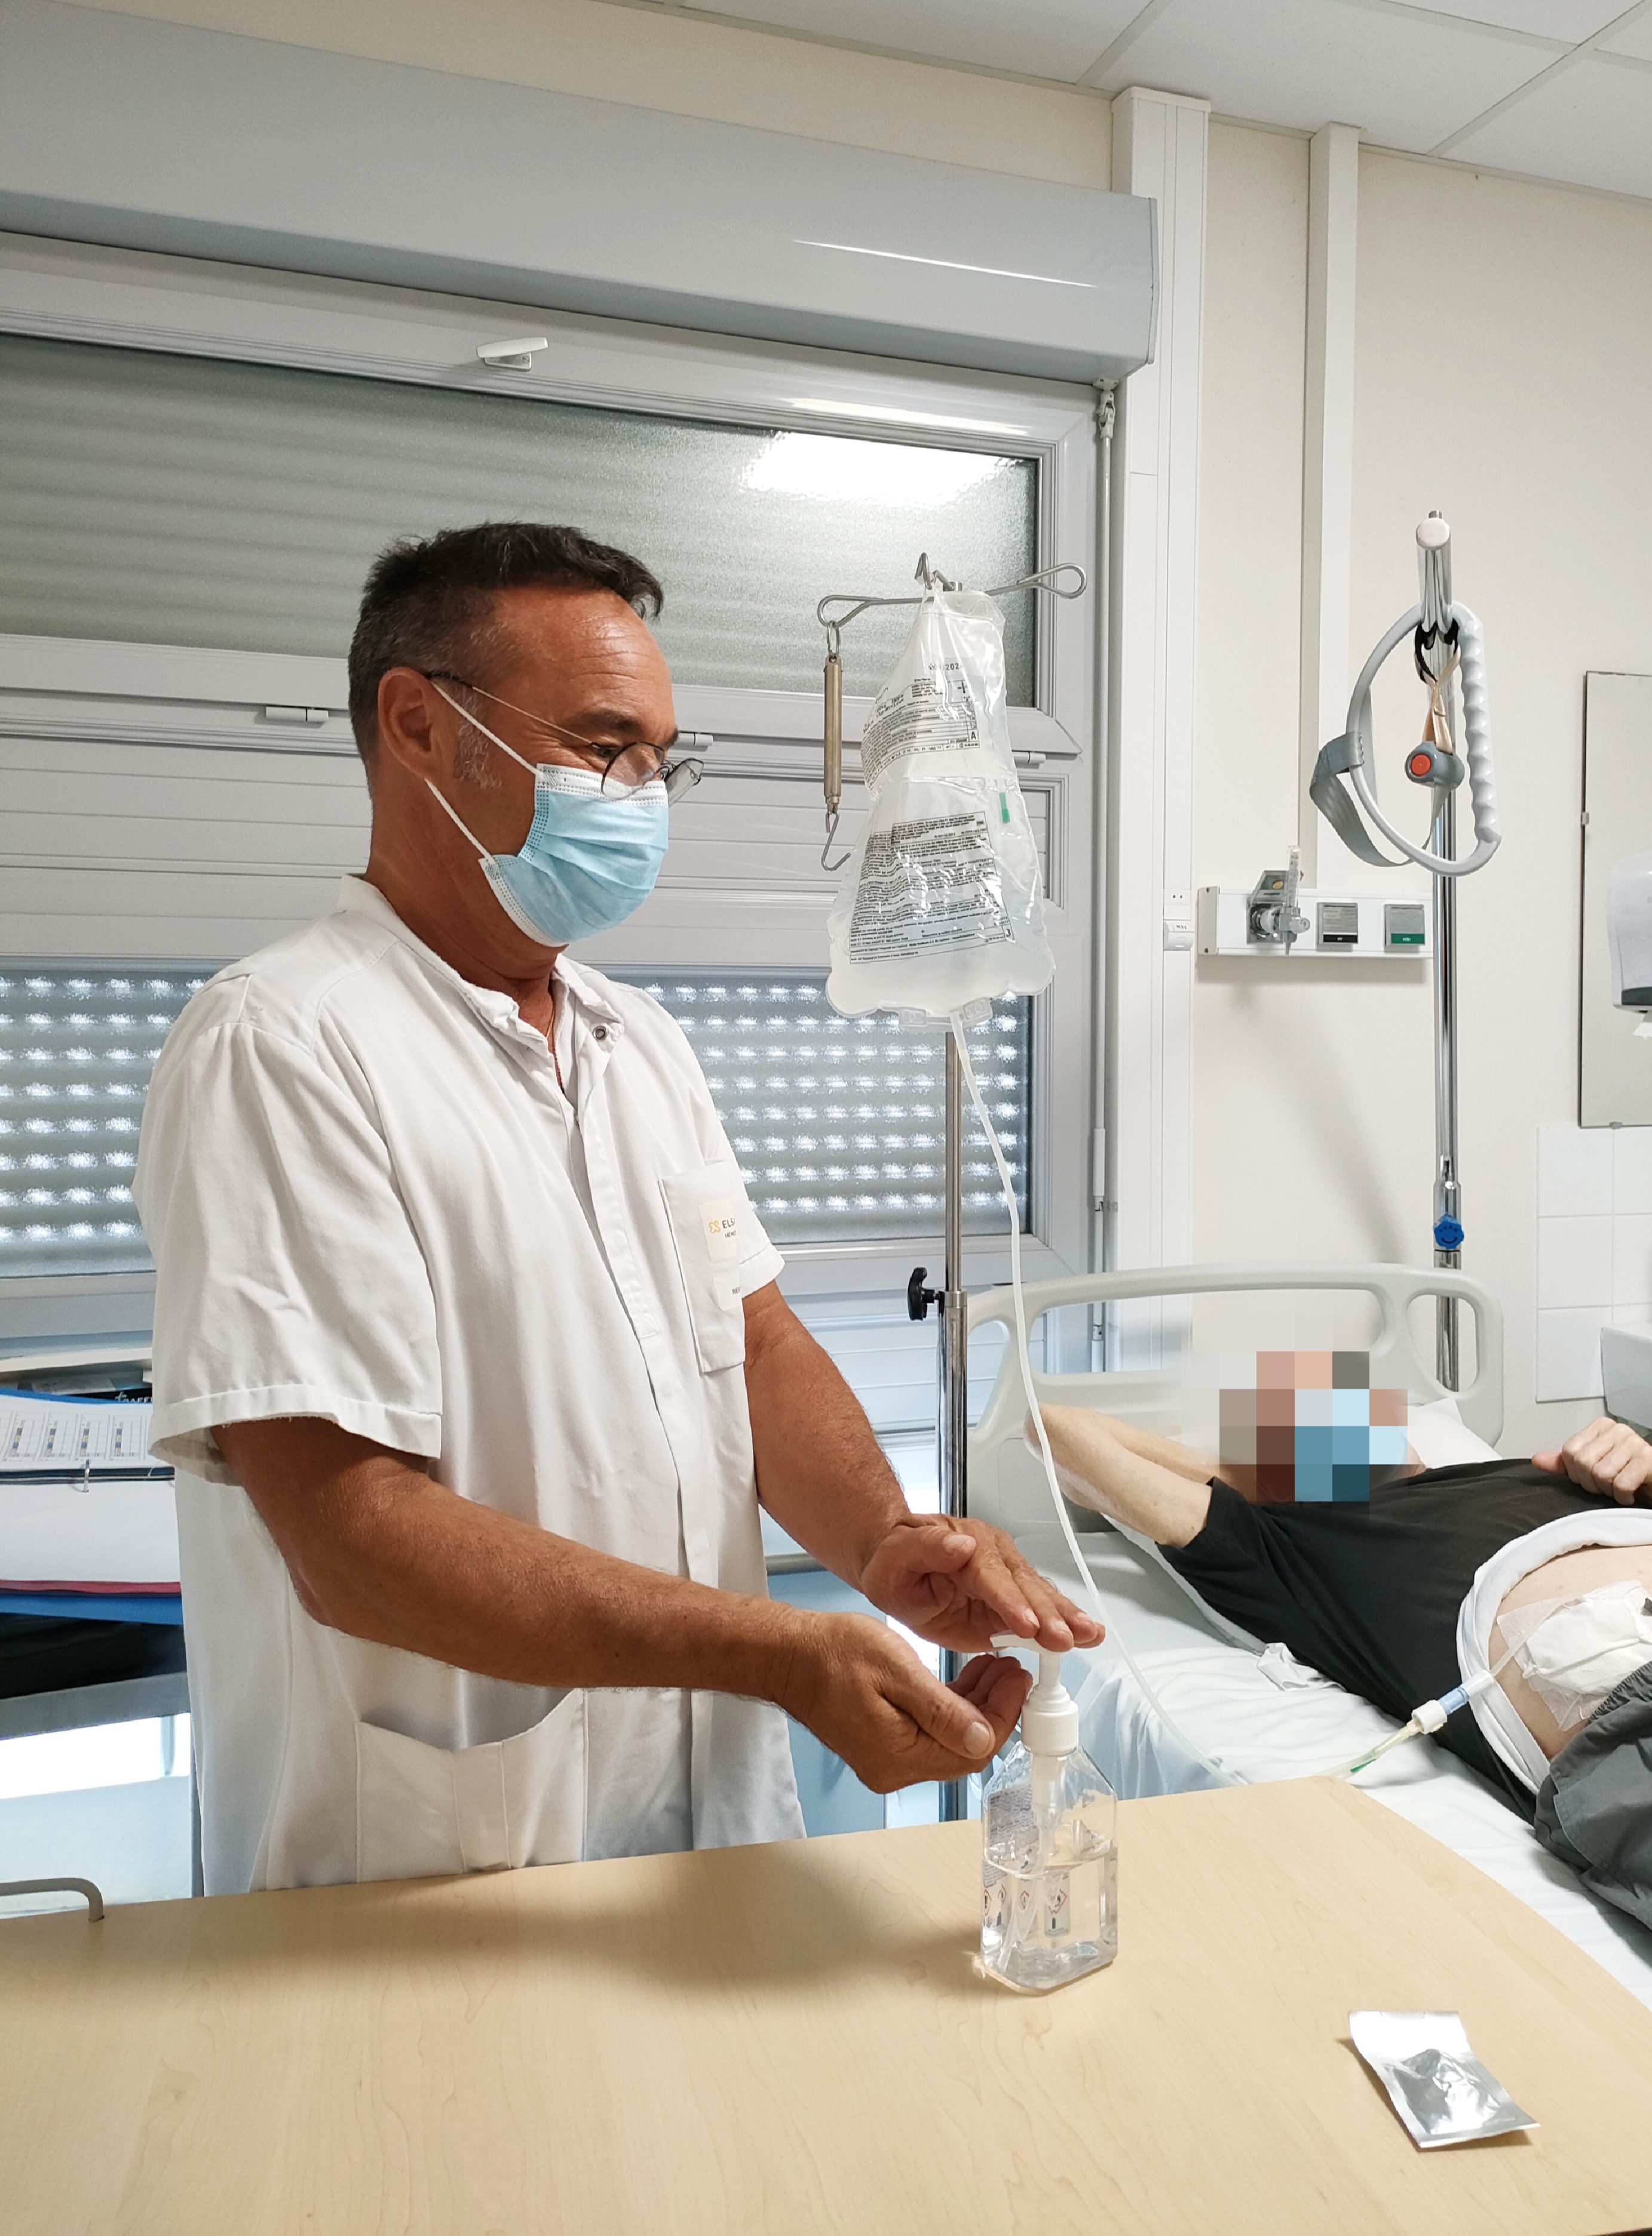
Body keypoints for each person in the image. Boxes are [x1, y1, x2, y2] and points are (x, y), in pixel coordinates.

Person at [134, 520, 1097, 1895]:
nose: (639, 792)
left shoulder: (637, 1043)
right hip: (432, 1866)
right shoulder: (285, 1044)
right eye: (601, 745)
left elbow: (751, 1341)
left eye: (657, 759)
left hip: (698, 1838)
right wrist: (774, 1649)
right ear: (419, 724)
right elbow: (352, 1537)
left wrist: (888, 1540)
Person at [1034, 1403, 1652, 2045]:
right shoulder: (1288, 1548)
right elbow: (1057, 1429)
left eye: (1355, 1410)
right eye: (1302, 1422)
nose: (1346, 1420)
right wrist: (1230, 1465)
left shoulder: (1535, 1470)